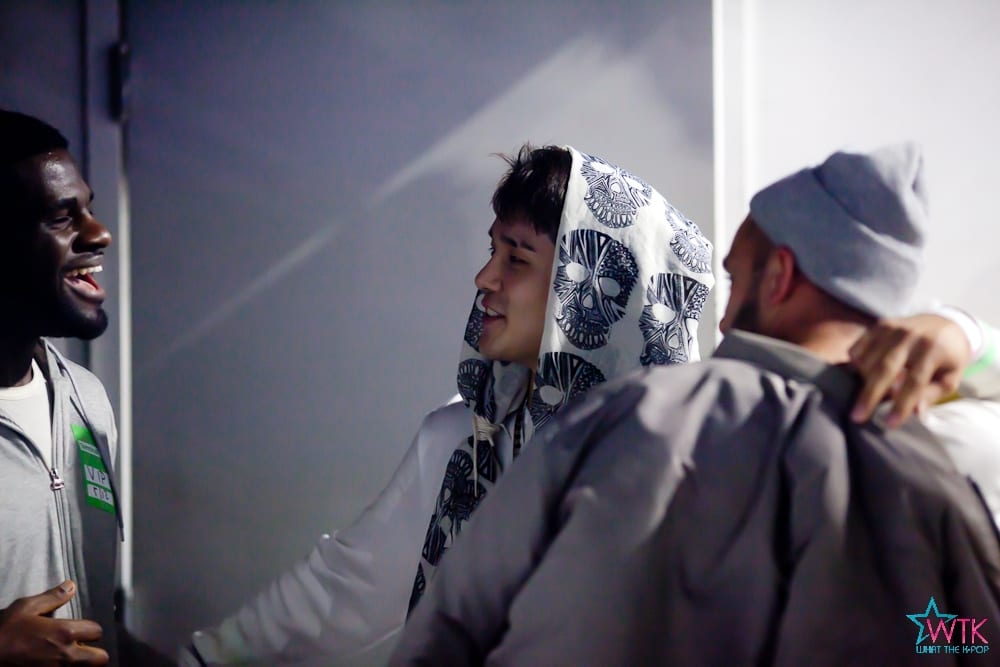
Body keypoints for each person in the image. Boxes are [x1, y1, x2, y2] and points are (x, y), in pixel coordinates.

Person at [391, 142, 1000, 665]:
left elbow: (456, 623)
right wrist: (964, 333)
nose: (723, 319)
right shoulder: (937, 466)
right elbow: (966, 637)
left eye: (734, 281)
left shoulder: (624, 419)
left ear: (780, 276)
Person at [180, 145, 716, 664]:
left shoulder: (685, 473)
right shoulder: (463, 443)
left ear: (592, 287)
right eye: (493, 251)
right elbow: (342, 590)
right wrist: (207, 658)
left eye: (516, 258)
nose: (485, 278)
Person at [0, 110, 121, 665]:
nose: (99, 233)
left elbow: (94, 618)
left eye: (89, 209)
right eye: (61, 217)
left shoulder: (86, 400)